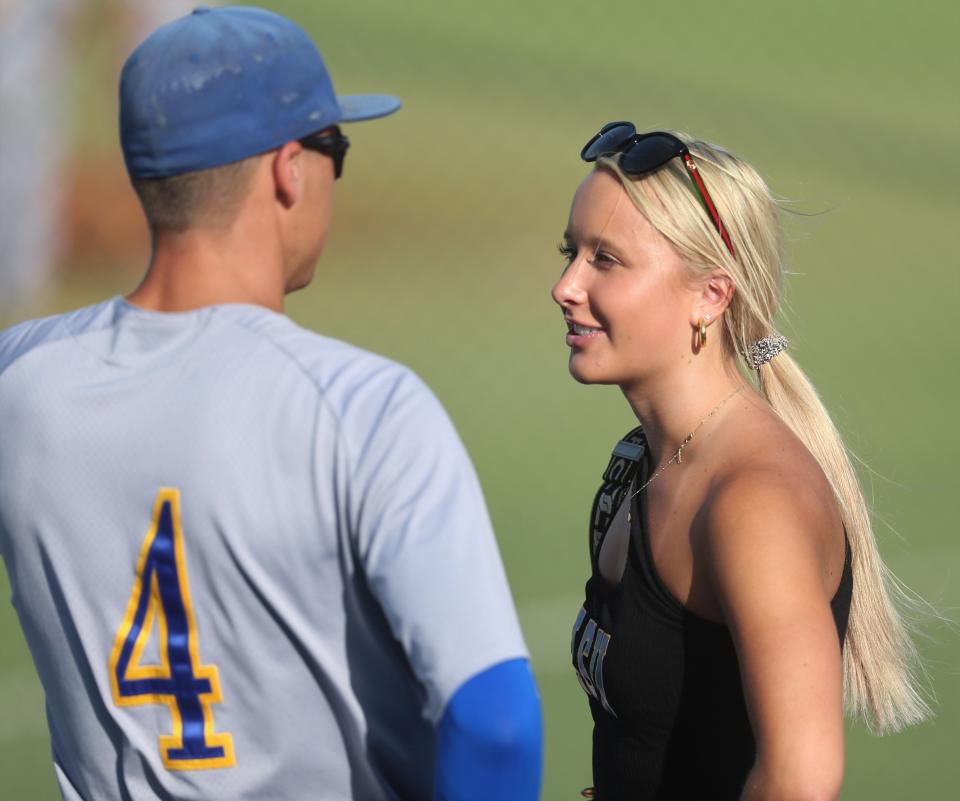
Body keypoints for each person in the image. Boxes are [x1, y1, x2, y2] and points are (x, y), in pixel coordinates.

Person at [0, 7, 542, 801]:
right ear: (289, 169)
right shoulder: (366, 410)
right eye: (336, 150)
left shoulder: (22, 381)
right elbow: (495, 723)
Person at [556, 123, 928, 801]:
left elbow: (802, 780)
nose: (565, 285)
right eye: (571, 252)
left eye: (605, 259)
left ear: (711, 295)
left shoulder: (751, 503)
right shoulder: (641, 461)